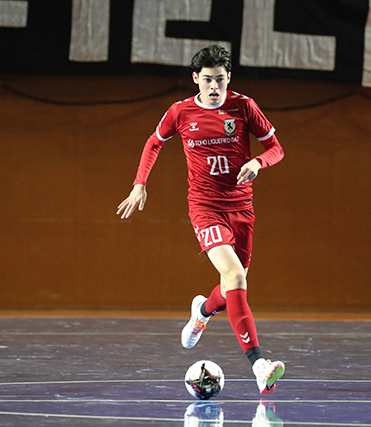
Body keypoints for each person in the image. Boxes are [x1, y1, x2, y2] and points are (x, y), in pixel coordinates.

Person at [116, 45, 285, 394]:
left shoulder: (243, 106)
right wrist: (139, 184)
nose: (214, 87)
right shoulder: (180, 112)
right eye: (207, 79)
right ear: (195, 78)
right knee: (235, 275)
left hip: (242, 208)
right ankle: (259, 365)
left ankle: (203, 311)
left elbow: (276, 149)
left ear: (229, 78)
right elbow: (153, 143)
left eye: (220, 79)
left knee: (231, 286)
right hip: (205, 208)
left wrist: (258, 162)